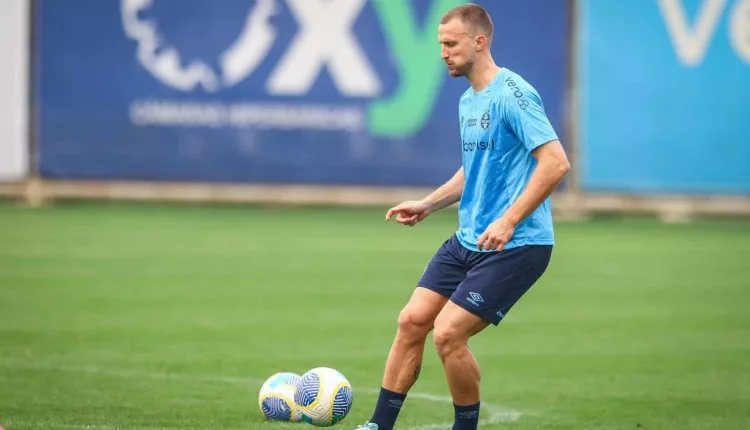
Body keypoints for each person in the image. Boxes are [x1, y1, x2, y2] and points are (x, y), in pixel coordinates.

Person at [355, 3, 571, 430]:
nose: (442, 53)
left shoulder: (513, 93)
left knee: (449, 333)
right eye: (440, 44)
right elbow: (474, 170)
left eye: (450, 44)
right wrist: (429, 204)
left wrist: (509, 220)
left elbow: (556, 163)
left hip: (517, 244)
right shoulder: (469, 100)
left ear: (479, 41)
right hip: (470, 239)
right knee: (412, 320)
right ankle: (378, 426)